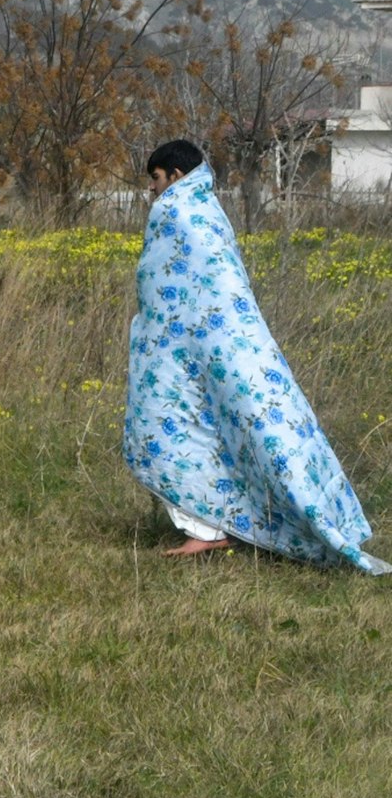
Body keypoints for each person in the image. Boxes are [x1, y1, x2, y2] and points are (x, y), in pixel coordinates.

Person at [124, 139, 388, 572]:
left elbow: (159, 280)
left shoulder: (173, 210)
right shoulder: (211, 210)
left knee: (173, 424)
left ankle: (208, 530)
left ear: (174, 175)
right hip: (232, 340)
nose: (152, 190)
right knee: (241, 425)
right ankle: (214, 527)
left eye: (155, 179)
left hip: (183, 345)